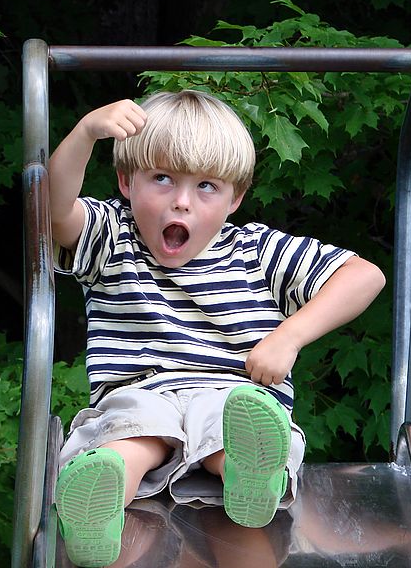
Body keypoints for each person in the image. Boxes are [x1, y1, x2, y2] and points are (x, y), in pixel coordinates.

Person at [48, 89, 386, 567]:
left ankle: (249, 478)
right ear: (126, 181)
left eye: (206, 186)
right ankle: (97, 506)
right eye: (162, 178)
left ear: (236, 197)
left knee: (230, 430)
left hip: (233, 396)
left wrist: (288, 335)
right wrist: (85, 133)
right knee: (132, 435)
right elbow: (54, 213)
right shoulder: (112, 235)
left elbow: (364, 276)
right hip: (142, 393)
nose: (181, 203)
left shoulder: (256, 249)